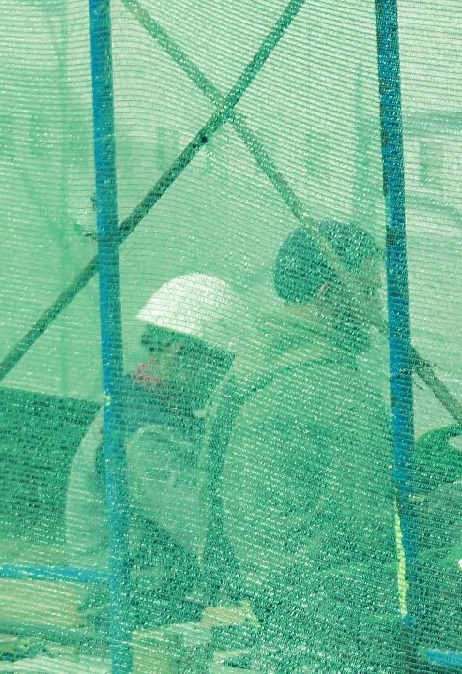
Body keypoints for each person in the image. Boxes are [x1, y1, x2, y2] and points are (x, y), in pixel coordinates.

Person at [201, 221, 400, 662]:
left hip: (260, 590)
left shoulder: (248, 369)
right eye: (368, 291)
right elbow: (372, 524)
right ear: (328, 296)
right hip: (329, 605)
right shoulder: (336, 387)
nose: (377, 306)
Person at [65, 272, 255, 619]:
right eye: (221, 366)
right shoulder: (141, 433)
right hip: (127, 604)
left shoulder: (152, 404)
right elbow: (203, 530)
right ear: (184, 353)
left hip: (159, 591)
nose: (222, 381)